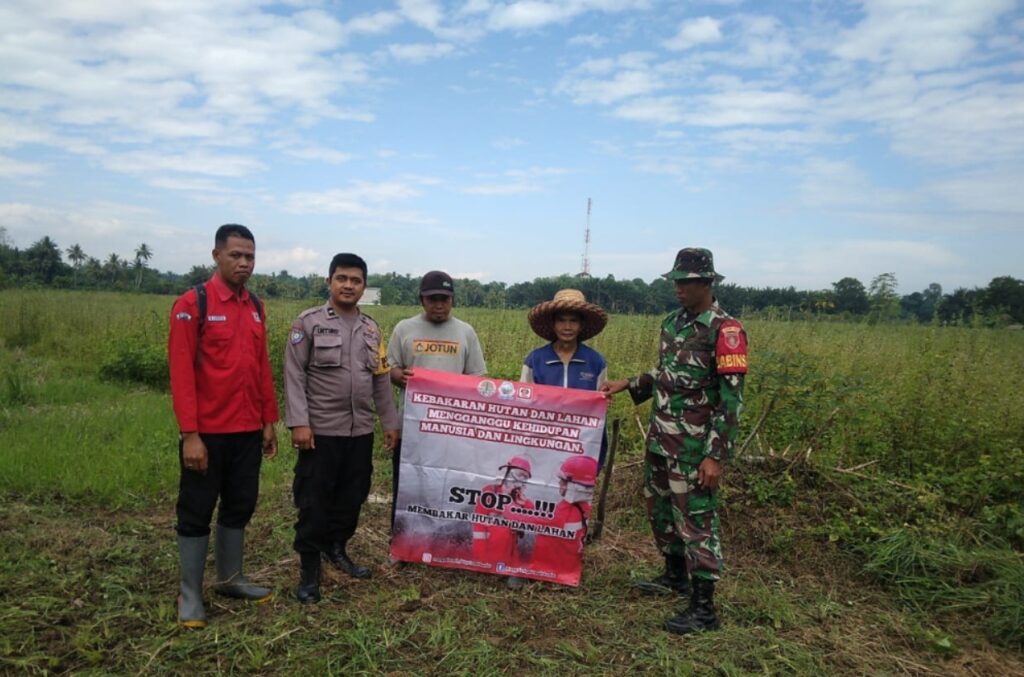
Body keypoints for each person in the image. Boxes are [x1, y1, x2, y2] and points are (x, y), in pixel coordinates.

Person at [602, 247, 747, 635]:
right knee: (661, 512)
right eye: (676, 281)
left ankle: (704, 610)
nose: (678, 288)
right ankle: (674, 577)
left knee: (696, 522)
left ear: (706, 283)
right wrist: (630, 384)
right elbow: (667, 373)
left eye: (685, 282)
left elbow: (731, 399)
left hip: (694, 448)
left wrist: (715, 457)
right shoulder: (672, 322)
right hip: (661, 439)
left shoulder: (725, 330)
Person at [167, 224, 279, 629]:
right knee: (196, 509)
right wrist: (191, 434)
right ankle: (191, 593)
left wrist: (269, 420)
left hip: (247, 429)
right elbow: (181, 373)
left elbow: (261, 367)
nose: (244, 263)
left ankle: (231, 579)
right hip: (207, 433)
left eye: (250, 256)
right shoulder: (192, 303)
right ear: (216, 256)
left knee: (240, 504)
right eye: (236, 255)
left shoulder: (256, 307)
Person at [284, 253, 400, 603]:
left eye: (356, 280)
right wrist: (299, 423)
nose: (348, 285)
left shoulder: (371, 328)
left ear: (364, 286)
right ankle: (309, 571)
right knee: (314, 499)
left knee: (353, 495)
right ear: (329, 281)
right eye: (342, 278)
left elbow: (380, 379)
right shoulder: (308, 323)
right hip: (321, 431)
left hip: (359, 431)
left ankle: (337, 549)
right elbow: (294, 375)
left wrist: (390, 423)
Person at [387, 271, 487, 535]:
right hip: (412, 426)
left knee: (452, 480)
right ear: (422, 300)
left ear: (453, 299)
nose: (439, 305)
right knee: (409, 481)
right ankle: (403, 539)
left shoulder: (465, 332)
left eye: (445, 299)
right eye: (433, 299)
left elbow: (478, 377)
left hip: (453, 428)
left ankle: (449, 536)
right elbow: (390, 369)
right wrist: (401, 376)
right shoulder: (404, 329)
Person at [521, 288, 609, 469]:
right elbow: (524, 403)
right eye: (561, 321)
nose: (567, 327)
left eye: (573, 321)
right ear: (553, 324)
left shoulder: (595, 361)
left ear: (581, 325)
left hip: (581, 445)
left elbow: (600, 410)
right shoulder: (535, 360)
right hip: (543, 443)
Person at [529, 455, 598, 578]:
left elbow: (533, 522)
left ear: (576, 486)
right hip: (567, 566)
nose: (560, 482)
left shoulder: (565, 512)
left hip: (550, 569)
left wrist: (515, 509)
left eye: (564, 480)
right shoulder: (584, 507)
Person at [471, 456, 536, 575]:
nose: (521, 479)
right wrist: (479, 558)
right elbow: (478, 525)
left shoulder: (521, 499)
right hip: (489, 549)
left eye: (525, 477)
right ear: (509, 471)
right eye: (519, 474)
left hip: (510, 552)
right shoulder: (490, 492)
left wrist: (524, 503)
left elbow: (534, 519)